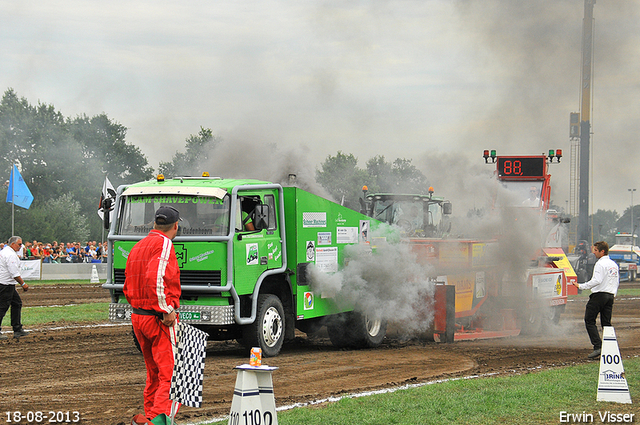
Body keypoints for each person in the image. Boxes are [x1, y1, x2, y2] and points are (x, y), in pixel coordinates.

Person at [124, 206, 182, 423]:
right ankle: (161, 418)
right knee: (171, 372)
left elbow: (129, 280)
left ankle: (150, 415)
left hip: (139, 316)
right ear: (176, 226)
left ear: (154, 224)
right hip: (157, 317)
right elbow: (155, 277)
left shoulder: (138, 246)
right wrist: (166, 309)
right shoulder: (164, 243)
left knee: (154, 372)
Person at [571, 241, 619, 359]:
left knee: (589, 320)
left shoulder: (600, 264)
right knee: (606, 323)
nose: (594, 252)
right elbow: (616, 281)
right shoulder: (613, 264)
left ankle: (598, 346)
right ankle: (610, 348)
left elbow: (596, 280)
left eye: (596, 250)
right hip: (610, 295)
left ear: (602, 251)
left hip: (599, 296)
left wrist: (581, 286)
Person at [0, 236, 30, 339]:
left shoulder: (4, 252)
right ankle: (16, 329)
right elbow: (14, 273)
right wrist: (23, 284)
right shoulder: (10, 255)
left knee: (17, 304)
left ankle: (17, 329)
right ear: (12, 244)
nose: (21, 246)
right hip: (5, 285)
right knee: (2, 307)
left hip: (7, 284)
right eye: (19, 244)